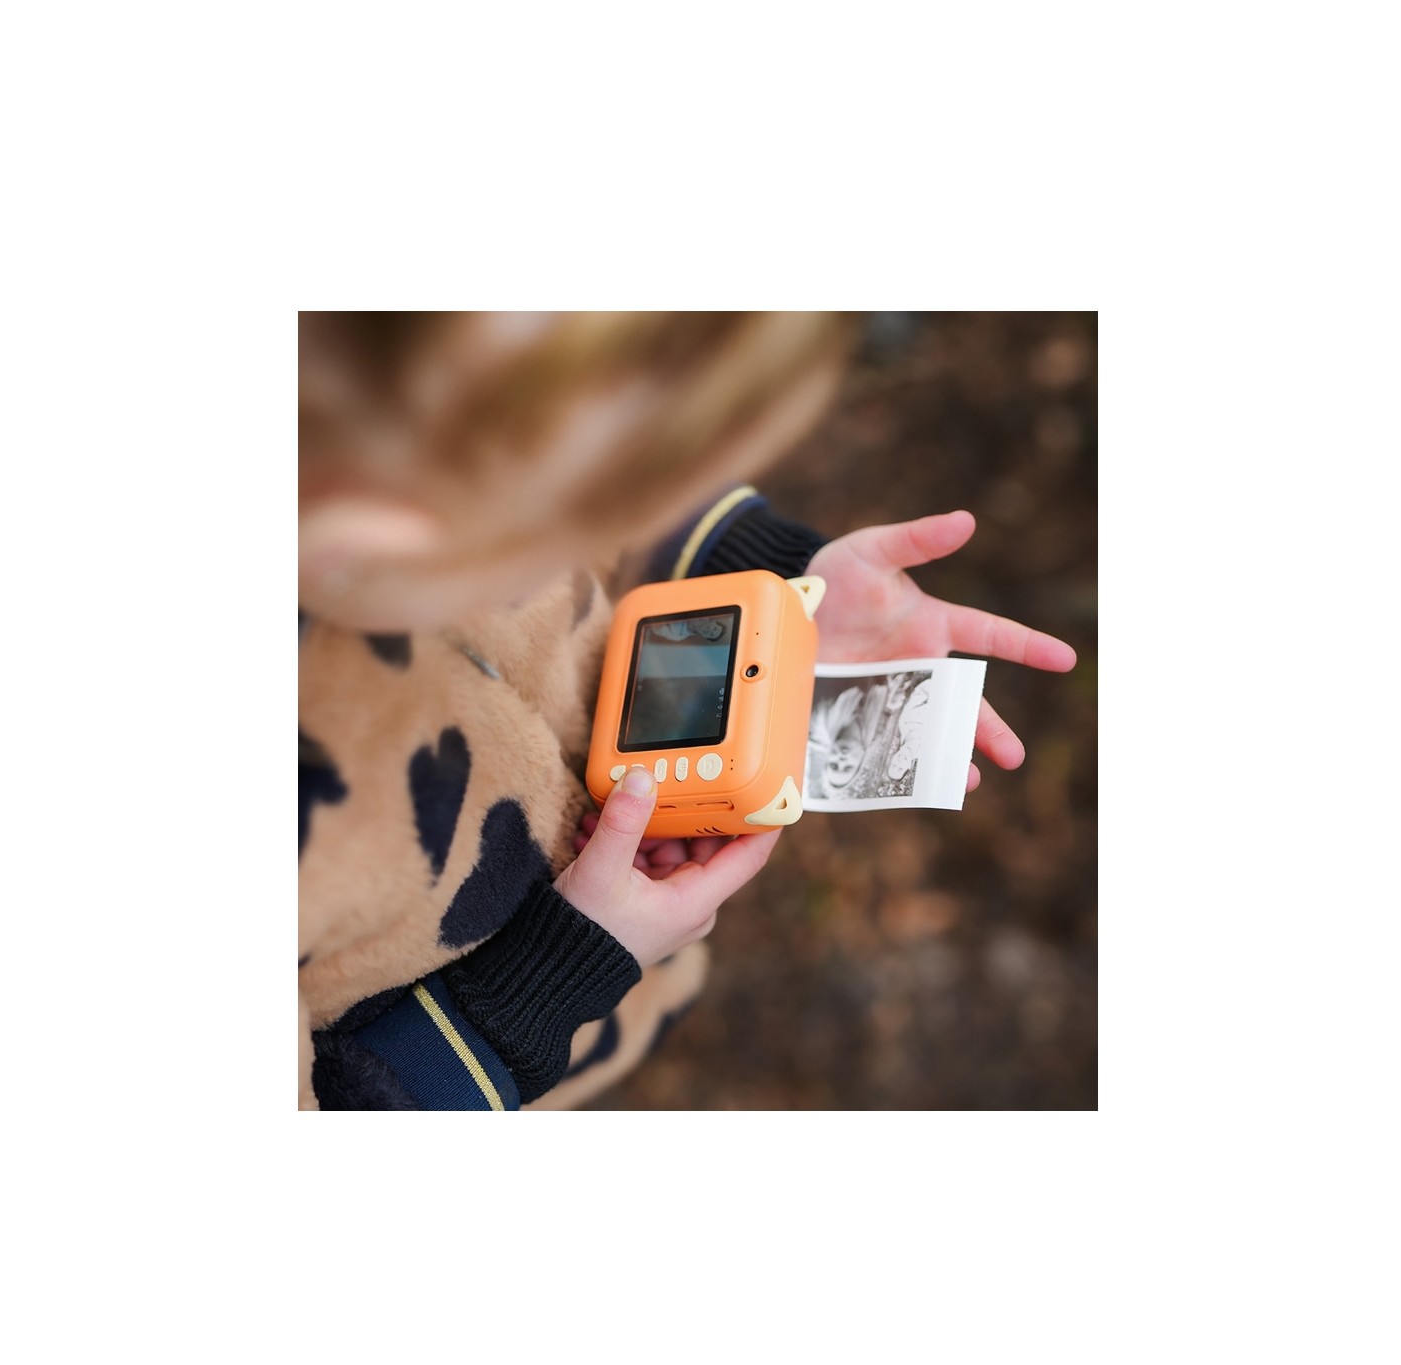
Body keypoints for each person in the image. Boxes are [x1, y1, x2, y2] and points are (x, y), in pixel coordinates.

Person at [299, 312, 1076, 1109]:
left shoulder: (429, 411)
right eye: (569, 523)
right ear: (375, 536)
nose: (601, 526)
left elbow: (579, 464)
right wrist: (536, 992)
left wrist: (770, 580)